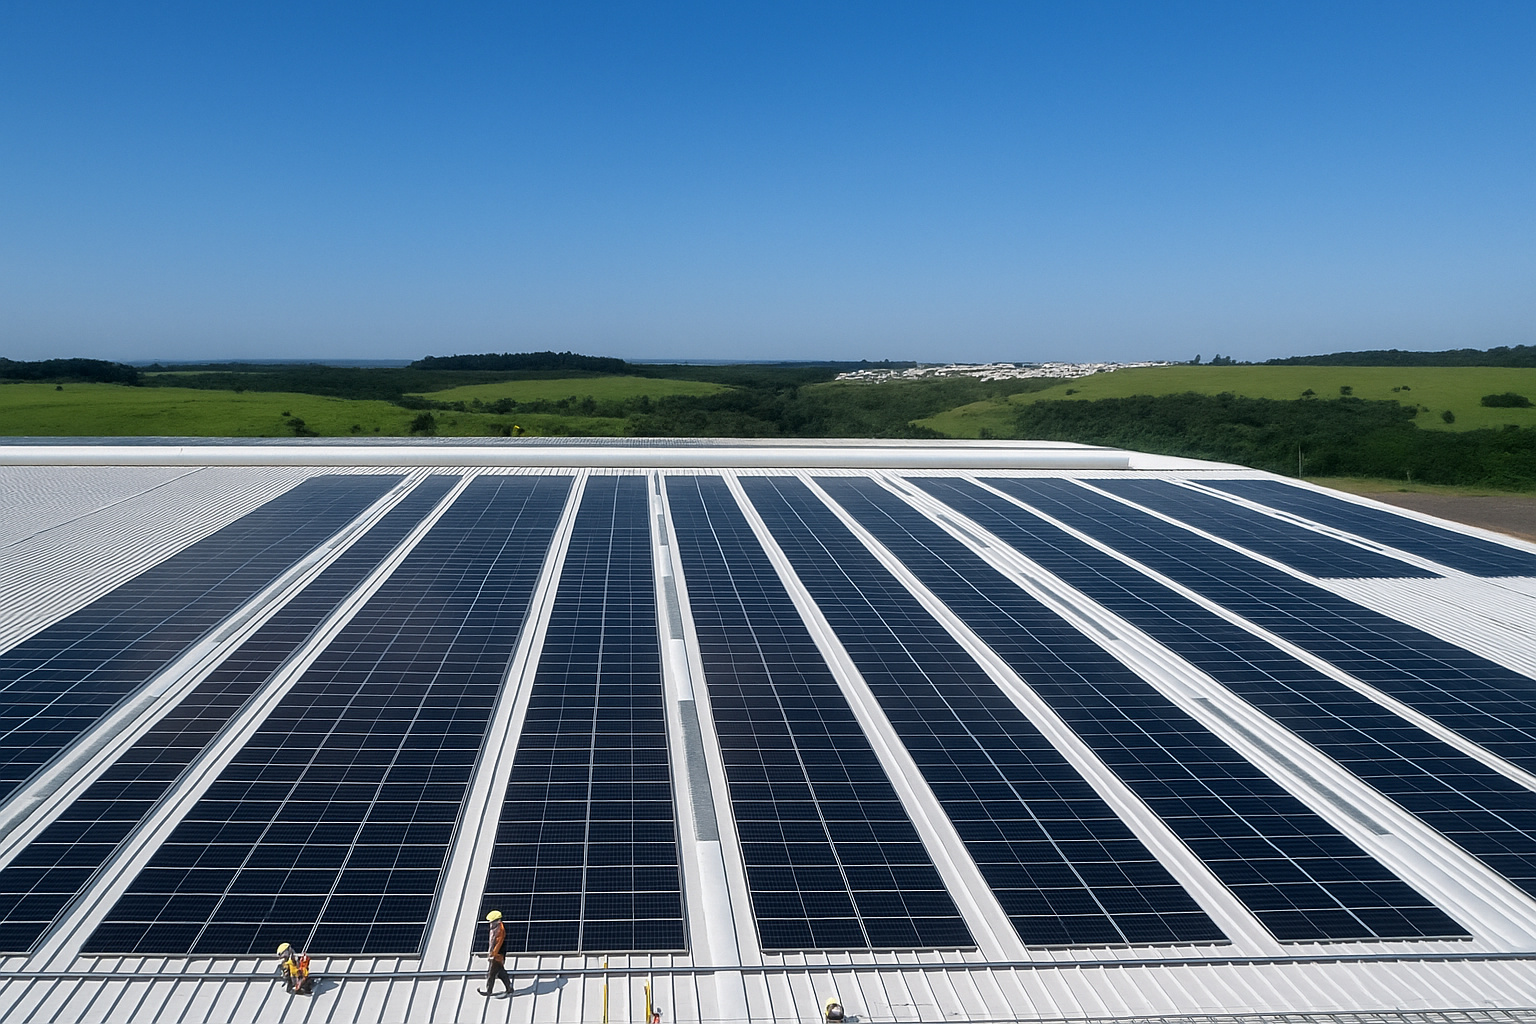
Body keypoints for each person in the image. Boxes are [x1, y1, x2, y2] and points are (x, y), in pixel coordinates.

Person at [478, 909, 512, 997]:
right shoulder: (495, 929)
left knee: (492, 973)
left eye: (492, 922)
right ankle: (509, 988)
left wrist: (493, 954)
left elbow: (498, 944)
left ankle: (489, 991)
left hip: (498, 955)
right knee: (500, 972)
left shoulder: (500, 930)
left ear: (497, 921)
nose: (490, 924)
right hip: (496, 954)